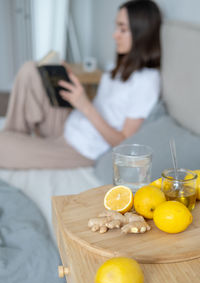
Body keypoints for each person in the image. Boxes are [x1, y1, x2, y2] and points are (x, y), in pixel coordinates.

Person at [0, 0, 162, 169]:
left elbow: (124, 143)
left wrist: (84, 106)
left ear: (142, 33)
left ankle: (15, 142)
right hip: (69, 124)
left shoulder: (147, 81)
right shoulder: (118, 67)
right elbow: (101, 106)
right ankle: (16, 135)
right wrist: (70, 78)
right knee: (30, 70)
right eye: (116, 27)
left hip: (80, 148)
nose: (115, 35)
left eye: (122, 29)